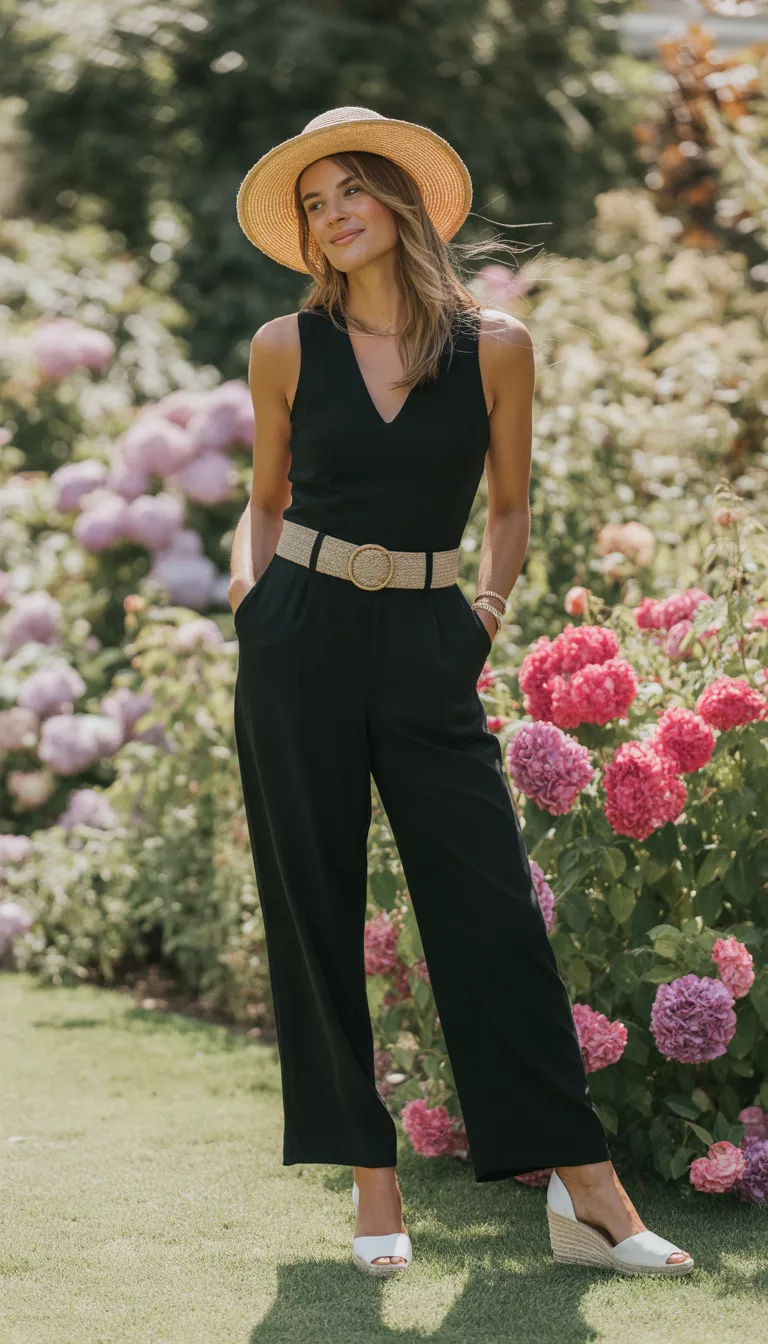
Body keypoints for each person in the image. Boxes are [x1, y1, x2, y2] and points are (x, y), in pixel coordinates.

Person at [229, 106, 693, 1279]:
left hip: (433, 637)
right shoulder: (285, 344)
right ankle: (370, 1178)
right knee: (315, 901)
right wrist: (251, 606)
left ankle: (585, 1190)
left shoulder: (496, 344)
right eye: (315, 201)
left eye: (352, 190)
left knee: (489, 907)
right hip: (300, 632)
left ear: (400, 200)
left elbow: (511, 510)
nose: (334, 214)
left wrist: (480, 621)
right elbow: (265, 498)